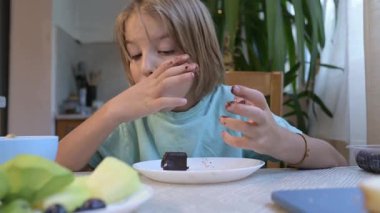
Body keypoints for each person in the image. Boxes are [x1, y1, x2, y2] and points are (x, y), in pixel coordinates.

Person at [56, 0, 347, 171]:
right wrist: (110, 112)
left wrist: (280, 141)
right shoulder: (125, 122)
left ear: (201, 51)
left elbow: (335, 161)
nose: (146, 66)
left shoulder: (233, 109)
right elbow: (53, 167)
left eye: (167, 49)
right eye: (135, 54)